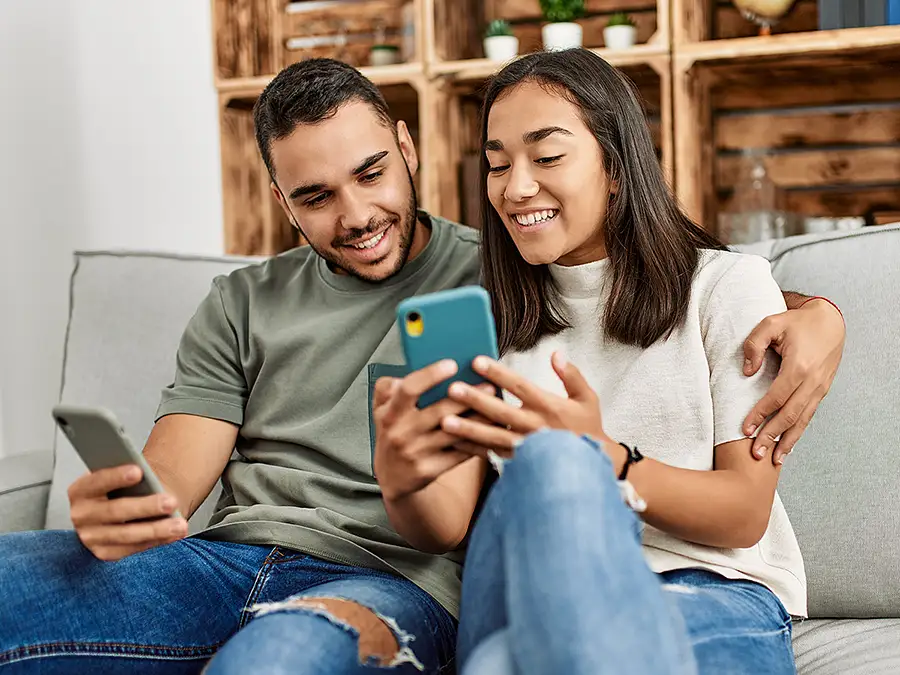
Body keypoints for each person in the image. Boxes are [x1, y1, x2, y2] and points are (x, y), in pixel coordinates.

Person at [0, 58, 841, 674]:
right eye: (316, 196)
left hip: (398, 582)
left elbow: (687, 281)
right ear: (278, 198)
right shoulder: (496, 309)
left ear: (407, 146)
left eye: (370, 172)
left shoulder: (493, 277)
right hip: (230, 558)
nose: (358, 213)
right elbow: (179, 480)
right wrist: (130, 507)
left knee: (548, 469)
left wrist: (821, 314)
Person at [375, 49, 834, 674]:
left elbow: (742, 513)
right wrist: (401, 481)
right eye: (497, 163)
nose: (516, 187)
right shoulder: (491, 322)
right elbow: (447, 525)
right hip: (529, 592)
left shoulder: (726, 287)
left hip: (706, 591)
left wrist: (602, 457)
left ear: (615, 168)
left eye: (547, 156)